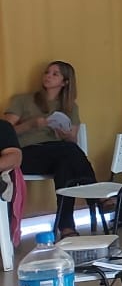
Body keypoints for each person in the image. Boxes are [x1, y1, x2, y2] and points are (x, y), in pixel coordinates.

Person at [3, 61, 97, 237]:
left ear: (65, 82)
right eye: (47, 72)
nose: (48, 76)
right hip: (24, 154)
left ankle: (67, 228)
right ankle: (96, 195)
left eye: (55, 74)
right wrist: (31, 124)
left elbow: (72, 139)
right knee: (68, 152)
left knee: (66, 165)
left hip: (55, 155)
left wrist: (65, 134)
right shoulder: (23, 100)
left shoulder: (70, 107)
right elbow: (4, 132)